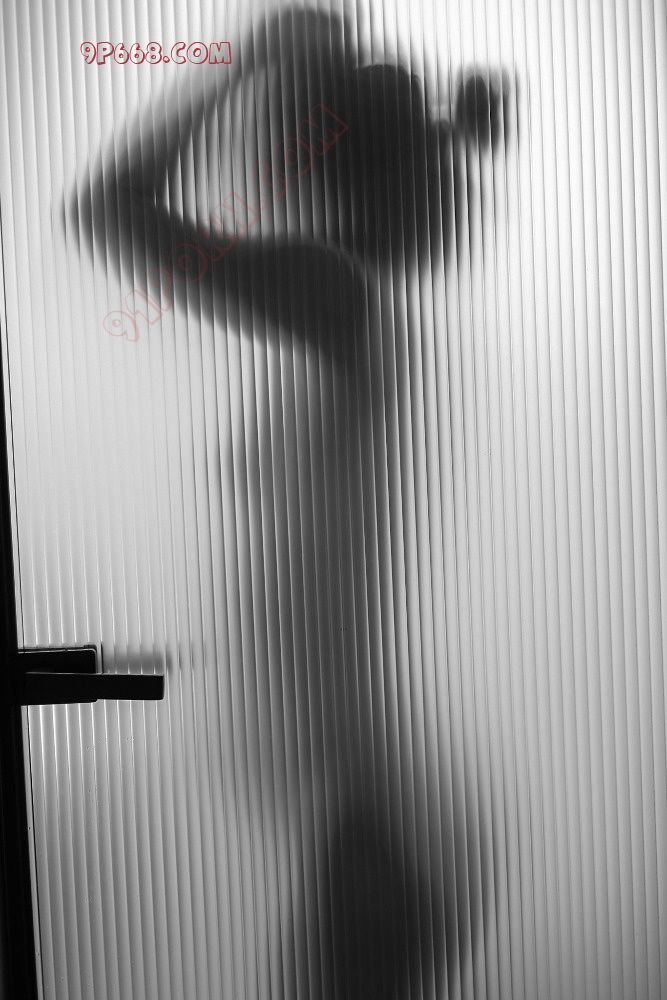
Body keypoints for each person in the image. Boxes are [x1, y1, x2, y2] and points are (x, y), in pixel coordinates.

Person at [71, 7, 513, 996]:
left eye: (283, 142)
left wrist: (241, 60)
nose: (266, 169)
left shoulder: (342, 303)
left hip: (366, 813)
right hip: (361, 806)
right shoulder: (356, 324)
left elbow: (107, 206)